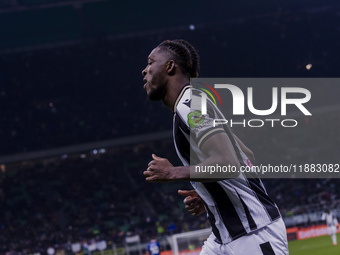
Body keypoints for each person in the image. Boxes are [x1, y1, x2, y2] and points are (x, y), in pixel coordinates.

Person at [142, 39, 289, 254]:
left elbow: (228, 163)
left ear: (170, 66)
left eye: (150, 62)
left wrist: (173, 172)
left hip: (252, 234)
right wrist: (211, 192)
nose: (144, 70)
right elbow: (247, 155)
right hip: (224, 237)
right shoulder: (191, 104)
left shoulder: (190, 103)